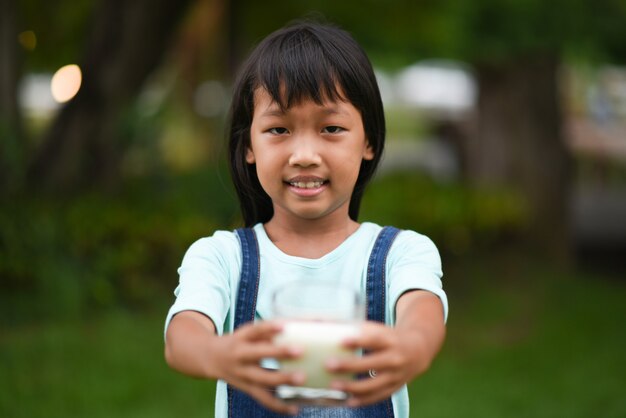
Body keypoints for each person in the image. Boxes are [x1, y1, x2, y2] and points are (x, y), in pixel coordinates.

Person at [164, 20, 448, 418]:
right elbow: (183, 338)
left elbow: (422, 314)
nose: (304, 154)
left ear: (368, 140)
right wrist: (215, 353)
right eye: (278, 129)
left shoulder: (401, 254)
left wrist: (414, 346)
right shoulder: (222, 258)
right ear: (249, 145)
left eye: (331, 128)